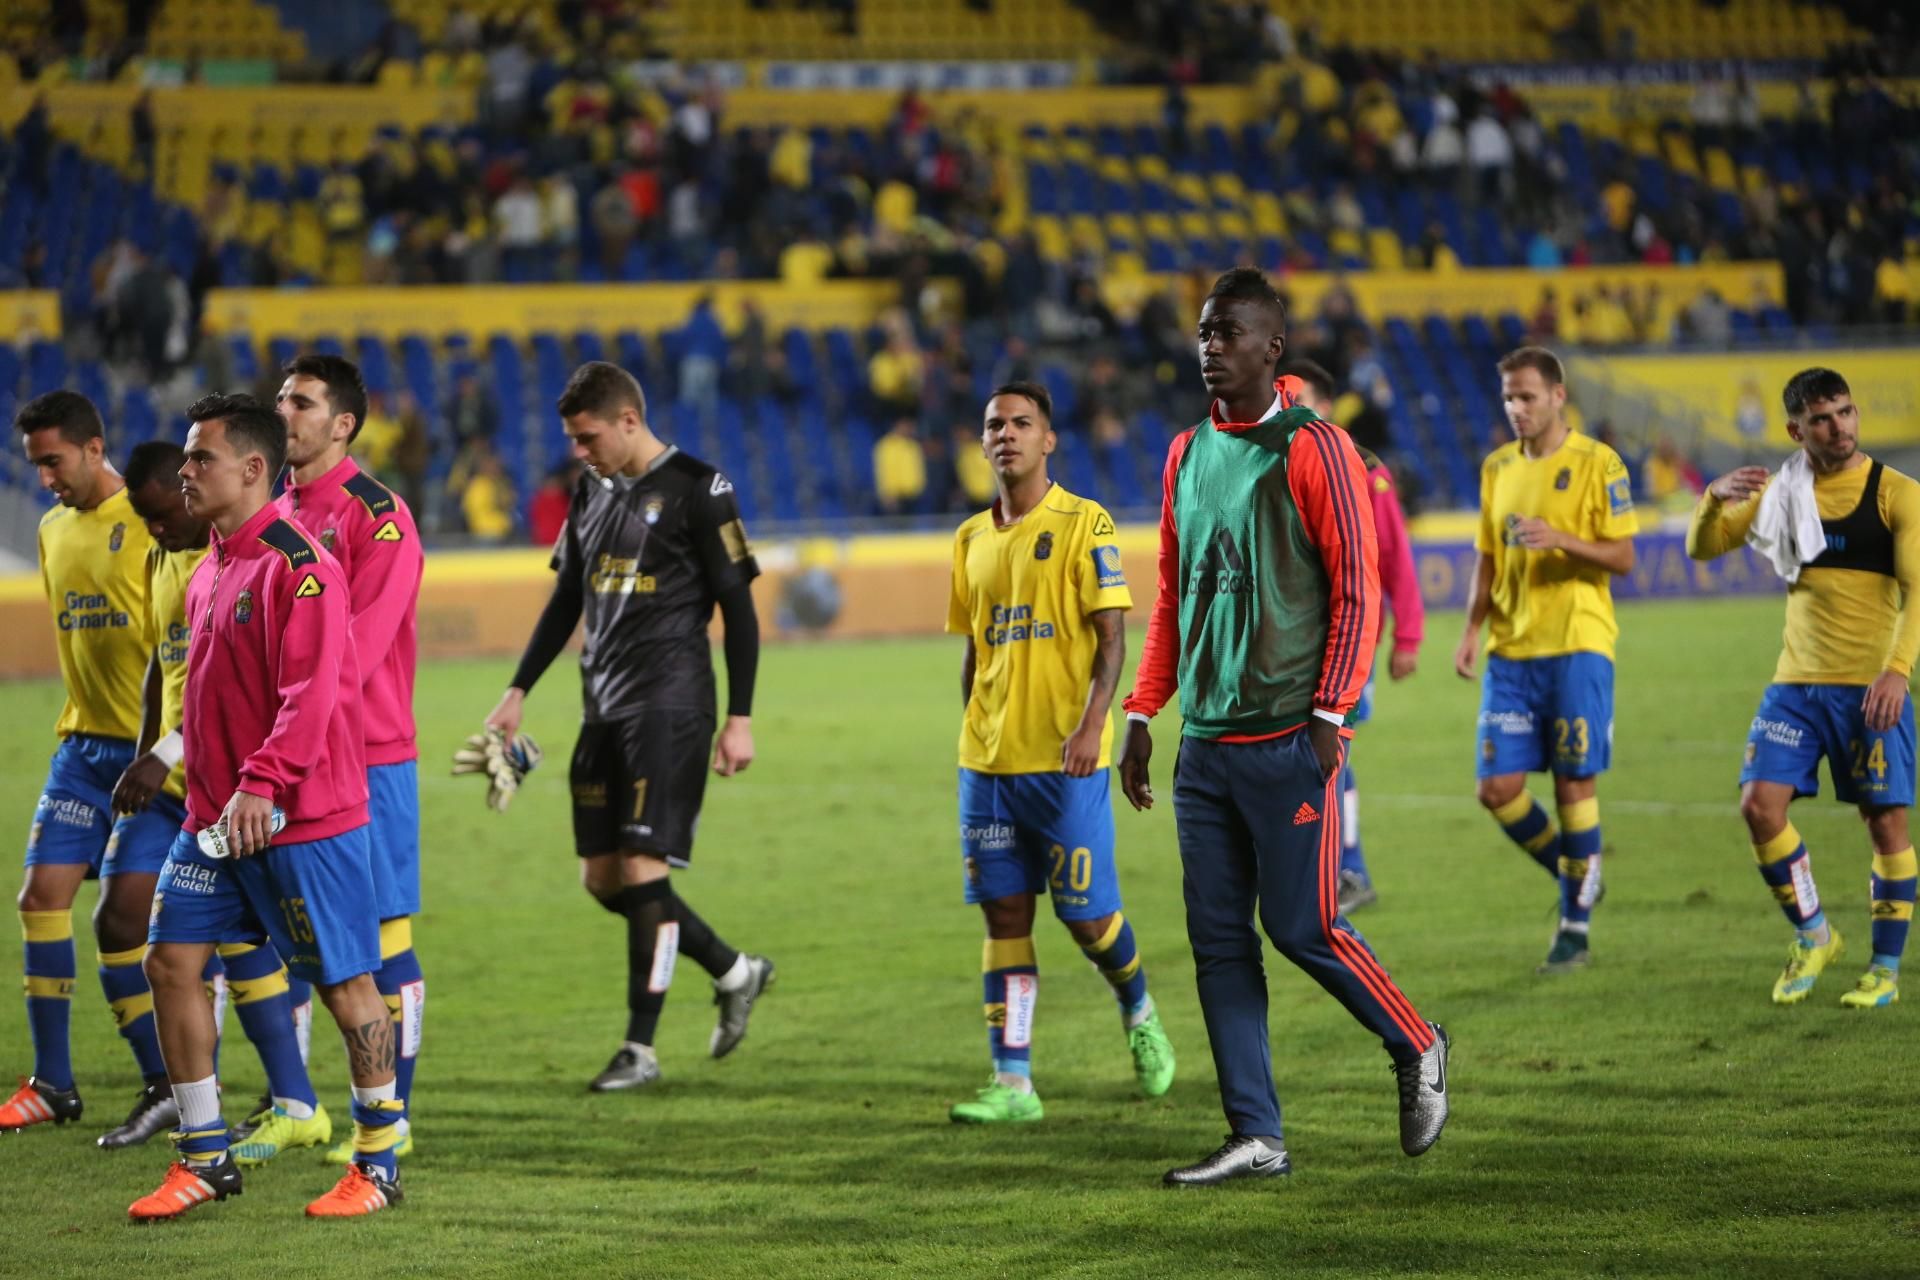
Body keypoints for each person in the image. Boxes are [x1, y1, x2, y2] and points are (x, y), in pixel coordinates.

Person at [1118, 269, 1448, 1187]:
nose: (1209, 345)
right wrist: (1144, 712)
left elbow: (1358, 587)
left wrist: (1333, 711)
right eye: (1202, 331)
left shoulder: (1317, 449)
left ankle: (1418, 1042)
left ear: (1273, 348)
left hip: (1286, 740)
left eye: (1229, 332)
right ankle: (1255, 1133)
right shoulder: (1184, 454)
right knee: (1219, 943)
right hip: (1205, 748)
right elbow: (1175, 600)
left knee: (1304, 929)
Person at [131, 392, 402, 1220]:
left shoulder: (301, 565)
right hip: (212, 821)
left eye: (199, 458)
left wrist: (263, 782)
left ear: (253, 469)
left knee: (347, 990)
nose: (184, 472)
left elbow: (314, 694)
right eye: (185, 458)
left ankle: (379, 1166)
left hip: (302, 818)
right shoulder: (209, 564)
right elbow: (207, 698)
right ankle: (205, 1156)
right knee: (169, 962)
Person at [479, 362, 774, 1092]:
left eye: (588, 437)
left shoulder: (702, 490)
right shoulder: (590, 492)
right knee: (604, 879)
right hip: (601, 706)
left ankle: (639, 1049)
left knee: (644, 871)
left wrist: (739, 718)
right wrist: (518, 688)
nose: (579, 450)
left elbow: (738, 609)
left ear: (628, 421)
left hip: (671, 705)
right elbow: (566, 600)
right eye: (574, 439)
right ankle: (736, 971)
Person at [944, 382, 1175, 1126]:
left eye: (1021, 423)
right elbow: (976, 648)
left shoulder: (1086, 523)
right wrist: (975, 728)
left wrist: (1091, 726)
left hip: (1065, 762)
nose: (1005, 434)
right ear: (982, 444)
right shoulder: (969, 538)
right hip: (987, 767)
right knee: (1005, 916)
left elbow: (1113, 638)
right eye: (994, 425)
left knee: (1087, 919)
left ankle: (1138, 1007)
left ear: (1048, 441)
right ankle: (1013, 1083)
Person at [114, 441, 323, 1162]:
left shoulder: (280, 564)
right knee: (167, 957)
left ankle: (355, 1135)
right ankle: (201, 1143)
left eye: (166, 503)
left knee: (334, 973)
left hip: (261, 796)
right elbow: (166, 668)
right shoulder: (187, 563)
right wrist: (150, 750)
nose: (158, 520)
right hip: (196, 798)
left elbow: (286, 692)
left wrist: (243, 778)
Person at [1686, 368, 1919, 1009]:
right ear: (1796, 429)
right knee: (1760, 807)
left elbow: (1918, 592)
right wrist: (1712, 498)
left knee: (1884, 823)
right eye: (1821, 419)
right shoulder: (1783, 492)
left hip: (1870, 686)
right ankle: (1815, 935)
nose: (1838, 427)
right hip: (1795, 684)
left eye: (1845, 412)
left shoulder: (1896, 493)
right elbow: (1703, 547)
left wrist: (1897, 670)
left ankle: (1885, 970)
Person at [271, 354, 427, 1167]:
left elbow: (357, 650)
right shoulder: (271, 513)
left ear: (344, 424)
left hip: (368, 755)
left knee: (382, 934)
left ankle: (391, 1112)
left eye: (301, 402)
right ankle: (297, 1104)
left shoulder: (380, 516)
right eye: (279, 400)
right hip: (287, 755)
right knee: (290, 936)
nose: (284, 413)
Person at [1452, 347, 1637, 975]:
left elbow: (1622, 557)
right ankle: (1575, 872)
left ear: (1558, 396)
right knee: (1496, 789)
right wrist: (1471, 629)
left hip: (1577, 646)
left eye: (1527, 396)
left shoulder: (1598, 463)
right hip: (1510, 651)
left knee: (1571, 785)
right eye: (1508, 396)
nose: (1516, 408)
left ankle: (1574, 929)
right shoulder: (1497, 466)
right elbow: (1486, 555)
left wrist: (1562, 540)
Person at [1, 392, 158, 1134]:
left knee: (126, 921)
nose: (45, 479)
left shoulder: (153, 525)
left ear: (96, 449)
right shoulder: (50, 528)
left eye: (53, 461)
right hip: (82, 748)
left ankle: (169, 1077)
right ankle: (54, 1084)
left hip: (149, 760)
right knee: (39, 900)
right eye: (36, 465)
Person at [1277, 361, 1423, 914]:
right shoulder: (1274, 462)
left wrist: (1407, 636)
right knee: (1322, 754)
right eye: (1285, 399)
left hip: (1346, 643)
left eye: (1303, 399)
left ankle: (1336, 872)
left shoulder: (1364, 469)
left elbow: (1395, 557)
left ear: (1330, 407)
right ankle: (1343, 869)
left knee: (1327, 751)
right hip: (1291, 645)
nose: (1291, 408)